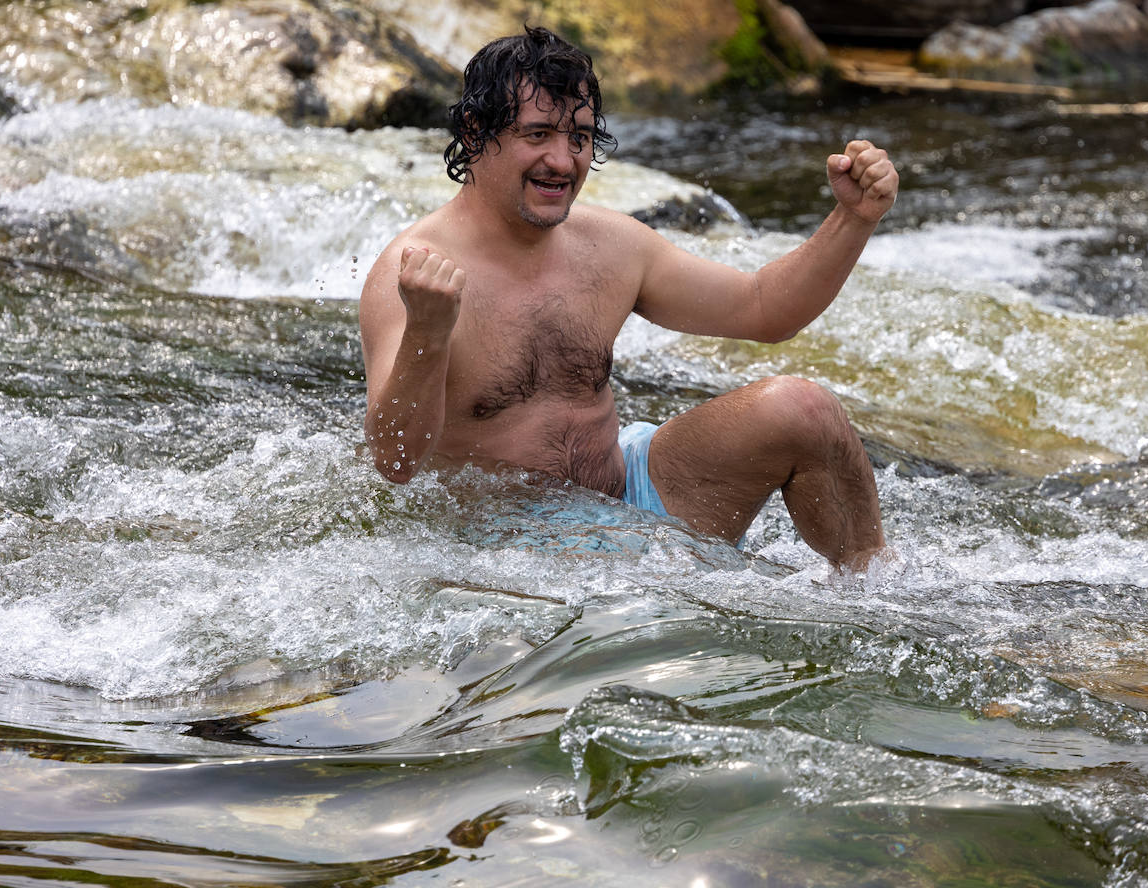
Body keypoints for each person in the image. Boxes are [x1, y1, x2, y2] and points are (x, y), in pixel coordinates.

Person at [359, 26, 898, 570]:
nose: (564, 162)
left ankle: (879, 597)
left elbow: (763, 308)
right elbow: (396, 461)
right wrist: (428, 332)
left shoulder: (611, 245)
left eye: (580, 137)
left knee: (804, 409)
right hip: (503, 544)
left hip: (630, 491)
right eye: (539, 134)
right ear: (475, 134)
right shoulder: (414, 273)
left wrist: (853, 219)